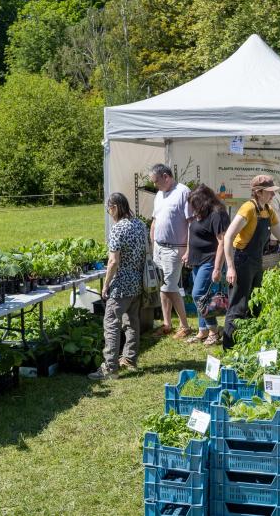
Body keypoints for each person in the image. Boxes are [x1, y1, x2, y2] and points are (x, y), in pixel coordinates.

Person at [222, 175, 280, 349]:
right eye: (270, 192)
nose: (273, 196)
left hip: (257, 261)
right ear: (258, 192)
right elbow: (228, 237)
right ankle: (228, 349)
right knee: (238, 305)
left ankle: (249, 344)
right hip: (241, 261)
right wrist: (230, 267)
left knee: (255, 304)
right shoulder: (248, 209)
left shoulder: (268, 210)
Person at [88, 193, 146, 381]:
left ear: (114, 207)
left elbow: (113, 261)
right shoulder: (139, 225)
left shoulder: (117, 229)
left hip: (121, 284)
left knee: (111, 323)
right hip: (138, 281)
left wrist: (105, 285)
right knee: (132, 322)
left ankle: (110, 367)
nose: (108, 212)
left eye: (108, 208)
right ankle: (129, 359)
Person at [149, 163, 194, 339]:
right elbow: (155, 219)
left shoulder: (183, 192)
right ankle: (167, 324)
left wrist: (189, 249)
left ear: (166, 177)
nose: (154, 185)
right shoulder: (160, 194)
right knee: (163, 287)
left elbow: (191, 223)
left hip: (175, 249)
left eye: (156, 181)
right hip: (159, 248)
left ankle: (185, 325)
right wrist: (152, 243)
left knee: (170, 287)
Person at [183, 184, 230, 346]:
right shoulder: (200, 213)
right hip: (197, 260)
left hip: (210, 261)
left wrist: (217, 268)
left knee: (198, 295)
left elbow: (223, 242)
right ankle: (202, 331)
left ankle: (214, 331)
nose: (193, 207)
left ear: (204, 201)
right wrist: (188, 252)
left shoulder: (218, 214)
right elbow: (193, 232)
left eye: (195, 203)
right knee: (201, 298)